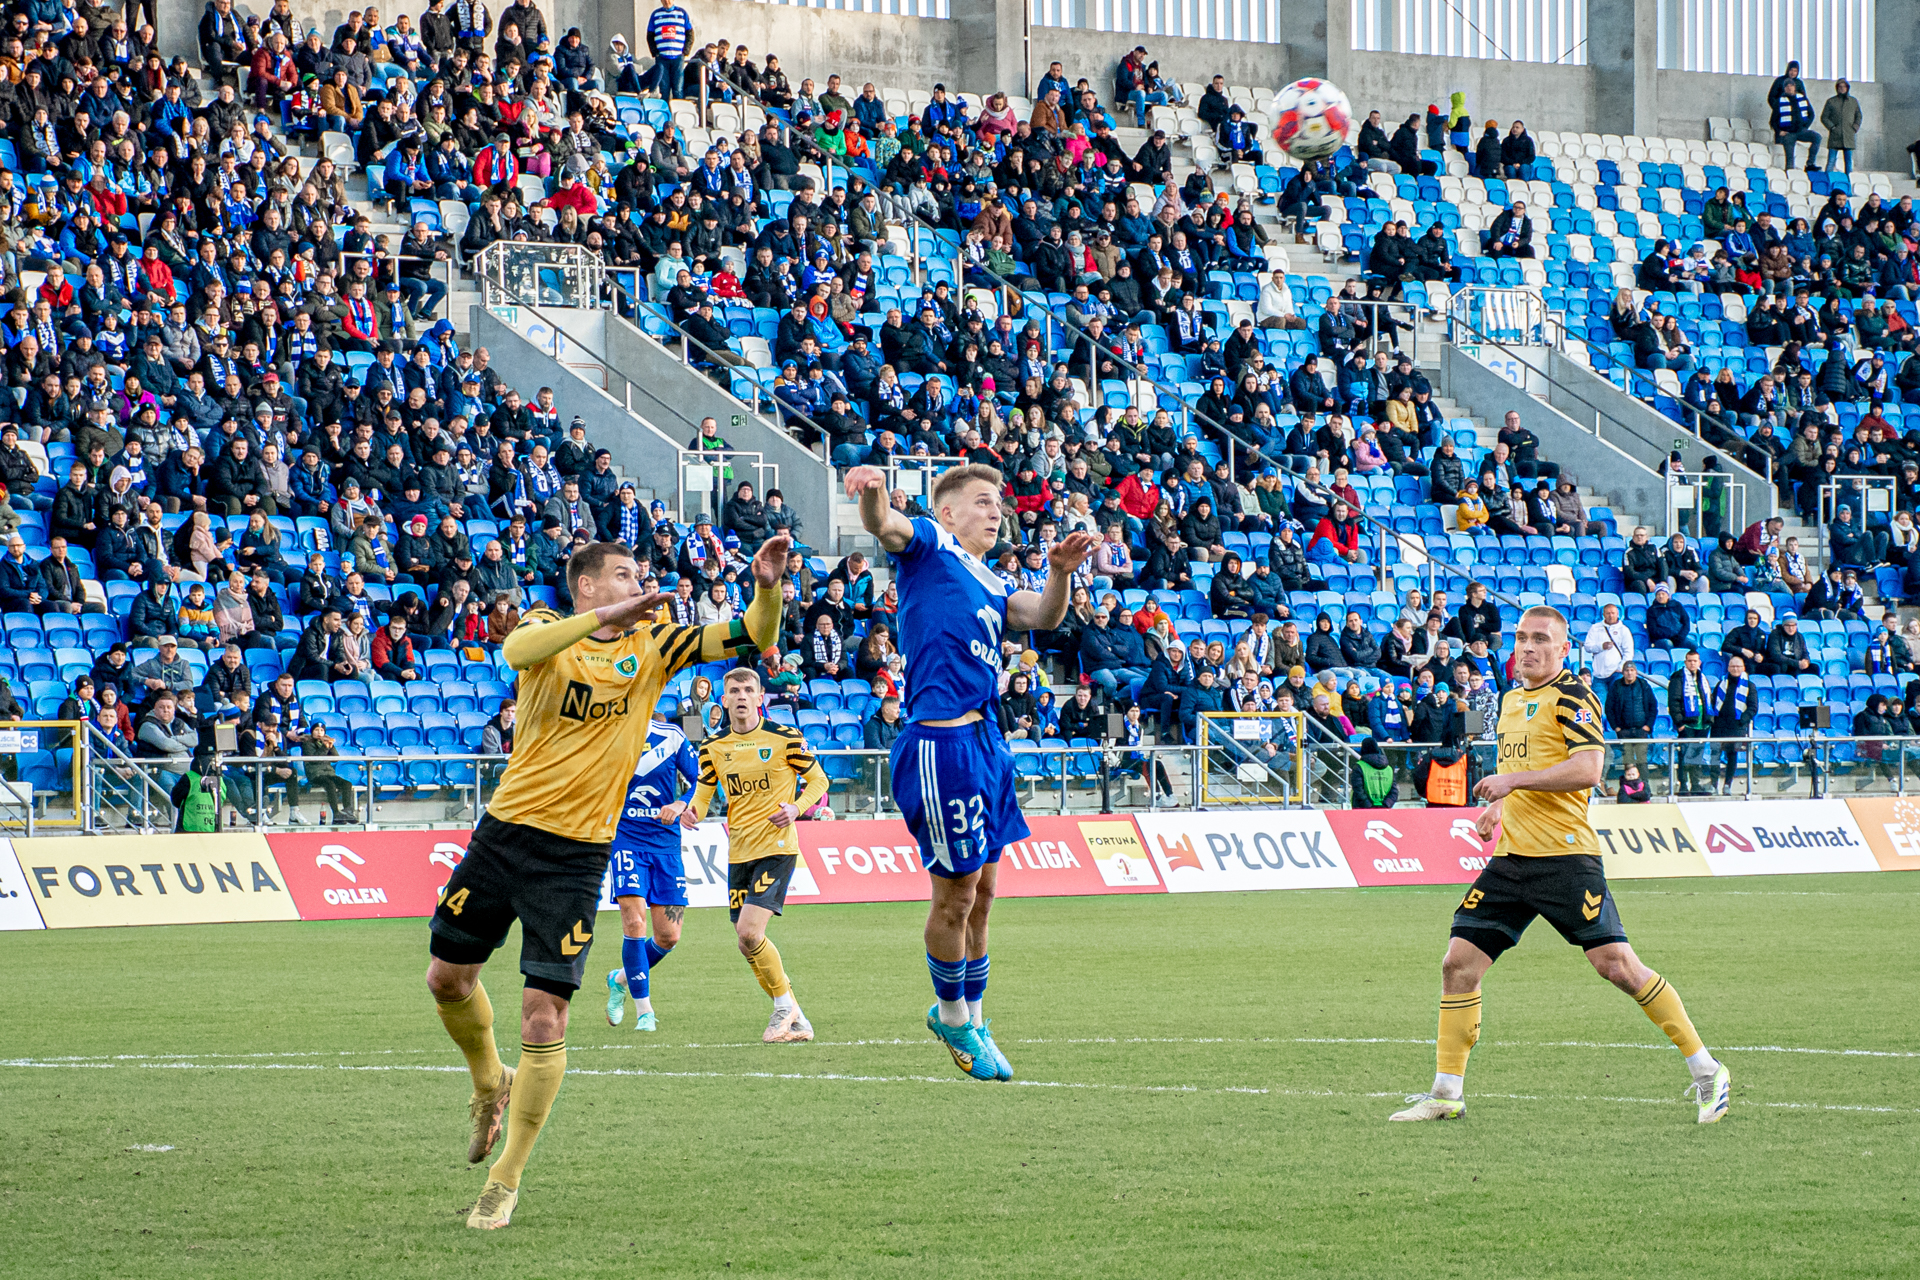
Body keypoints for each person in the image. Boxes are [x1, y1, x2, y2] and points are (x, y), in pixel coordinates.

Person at [426, 531, 788, 1231]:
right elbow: (516, 652)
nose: (638, 583)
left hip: (578, 855)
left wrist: (767, 587)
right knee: (447, 979)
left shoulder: (655, 644)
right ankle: (489, 1081)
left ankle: (505, 1180)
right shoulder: (547, 626)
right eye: (624, 575)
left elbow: (752, 636)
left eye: (639, 574)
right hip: (504, 835)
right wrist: (606, 617)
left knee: (545, 1014)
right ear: (586, 586)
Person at [1390, 606, 1729, 1125]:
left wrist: (1511, 783)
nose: (1528, 647)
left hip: (1565, 857)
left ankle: (1707, 1070)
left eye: (1541, 639)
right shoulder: (1508, 700)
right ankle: (1446, 1092)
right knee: (1458, 964)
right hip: (1511, 860)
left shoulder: (1574, 695)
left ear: (1563, 649)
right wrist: (1500, 805)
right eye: (1521, 637)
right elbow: (1521, 766)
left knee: (1617, 967)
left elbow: (1589, 769)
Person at [846, 461, 1097, 1083]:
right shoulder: (931, 545)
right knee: (955, 896)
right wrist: (873, 491)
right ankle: (952, 1014)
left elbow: (1044, 616)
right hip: (942, 744)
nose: (996, 510)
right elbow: (885, 526)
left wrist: (1060, 572)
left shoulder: (990, 581)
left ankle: (977, 1018)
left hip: (987, 744)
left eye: (999, 503)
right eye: (983, 501)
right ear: (948, 511)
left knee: (984, 896)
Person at [685, 667, 829, 1042]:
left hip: (777, 847)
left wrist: (797, 808)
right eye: (735, 691)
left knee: (751, 931)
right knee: (745, 942)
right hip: (738, 852)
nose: (742, 696)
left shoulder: (785, 737)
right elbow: (703, 795)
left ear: (760, 697)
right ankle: (797, 1019)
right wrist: (690, 812)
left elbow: (819, 780)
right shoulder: (713, 746)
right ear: (724, 700)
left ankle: (783, 1008)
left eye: (749, 690)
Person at [603, 712, 701, 1033]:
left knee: (669, 936)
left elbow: (702, 780)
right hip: (626, 838)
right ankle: (644, 1012)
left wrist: (681, 804)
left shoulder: (672, 736)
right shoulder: (608, 732)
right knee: (634, 922)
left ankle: (620, 979)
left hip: (665, 843)